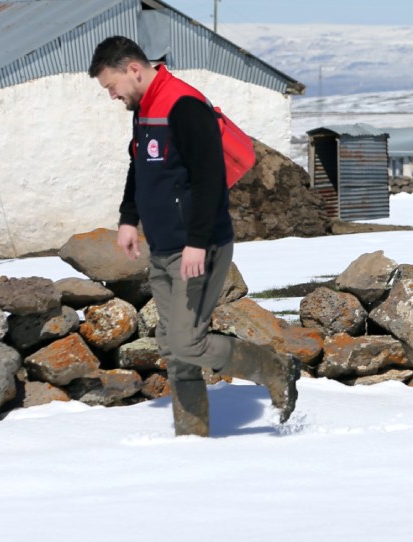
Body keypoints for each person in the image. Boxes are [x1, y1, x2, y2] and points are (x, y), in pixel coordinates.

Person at [89, 36, 299, 435]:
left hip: (198, 248)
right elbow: (141, 166)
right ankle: (192, 438)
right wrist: (129, 219)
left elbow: (209, 181)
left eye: (111, 86)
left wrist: (197, 242)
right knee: (174, 349)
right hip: (164, 247)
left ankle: (274, 368)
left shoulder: (184, 106)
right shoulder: (145, 108)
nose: (111, 95)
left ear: (133, 69)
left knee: (188, 344)